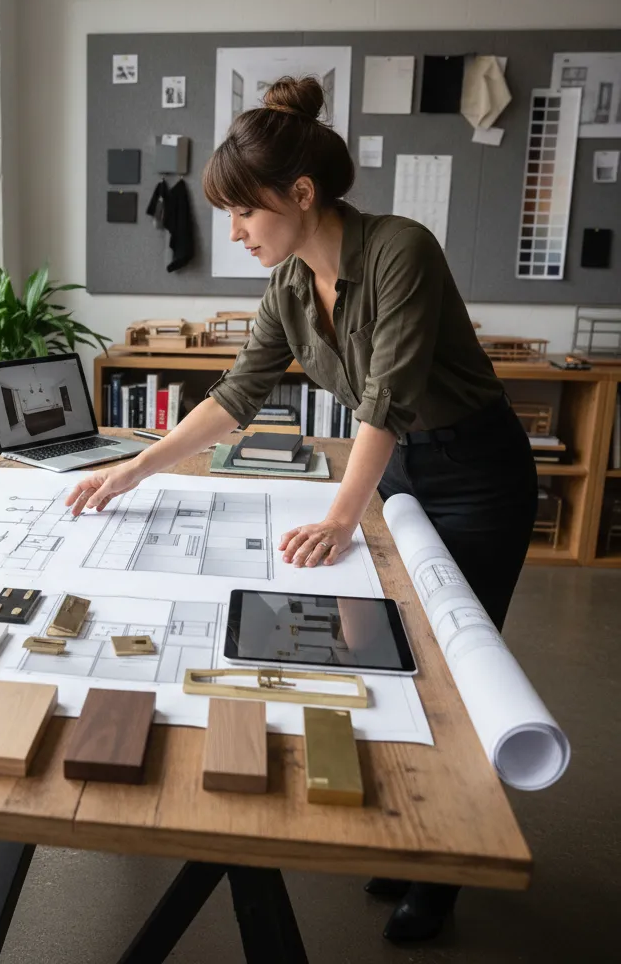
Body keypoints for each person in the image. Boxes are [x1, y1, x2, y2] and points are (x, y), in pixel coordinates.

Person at [66, 75, 538, 942]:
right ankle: (407, 830)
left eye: (244, 213)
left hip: (474, 474)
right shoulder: (286, 286)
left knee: (461, 668)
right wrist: (139, 468)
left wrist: (339, 515)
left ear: (302, 194)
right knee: (391, 653)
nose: (235, 233)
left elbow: (385, 402)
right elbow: (237, 396)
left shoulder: (401, 249)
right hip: (393, 470)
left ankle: (442, 871)